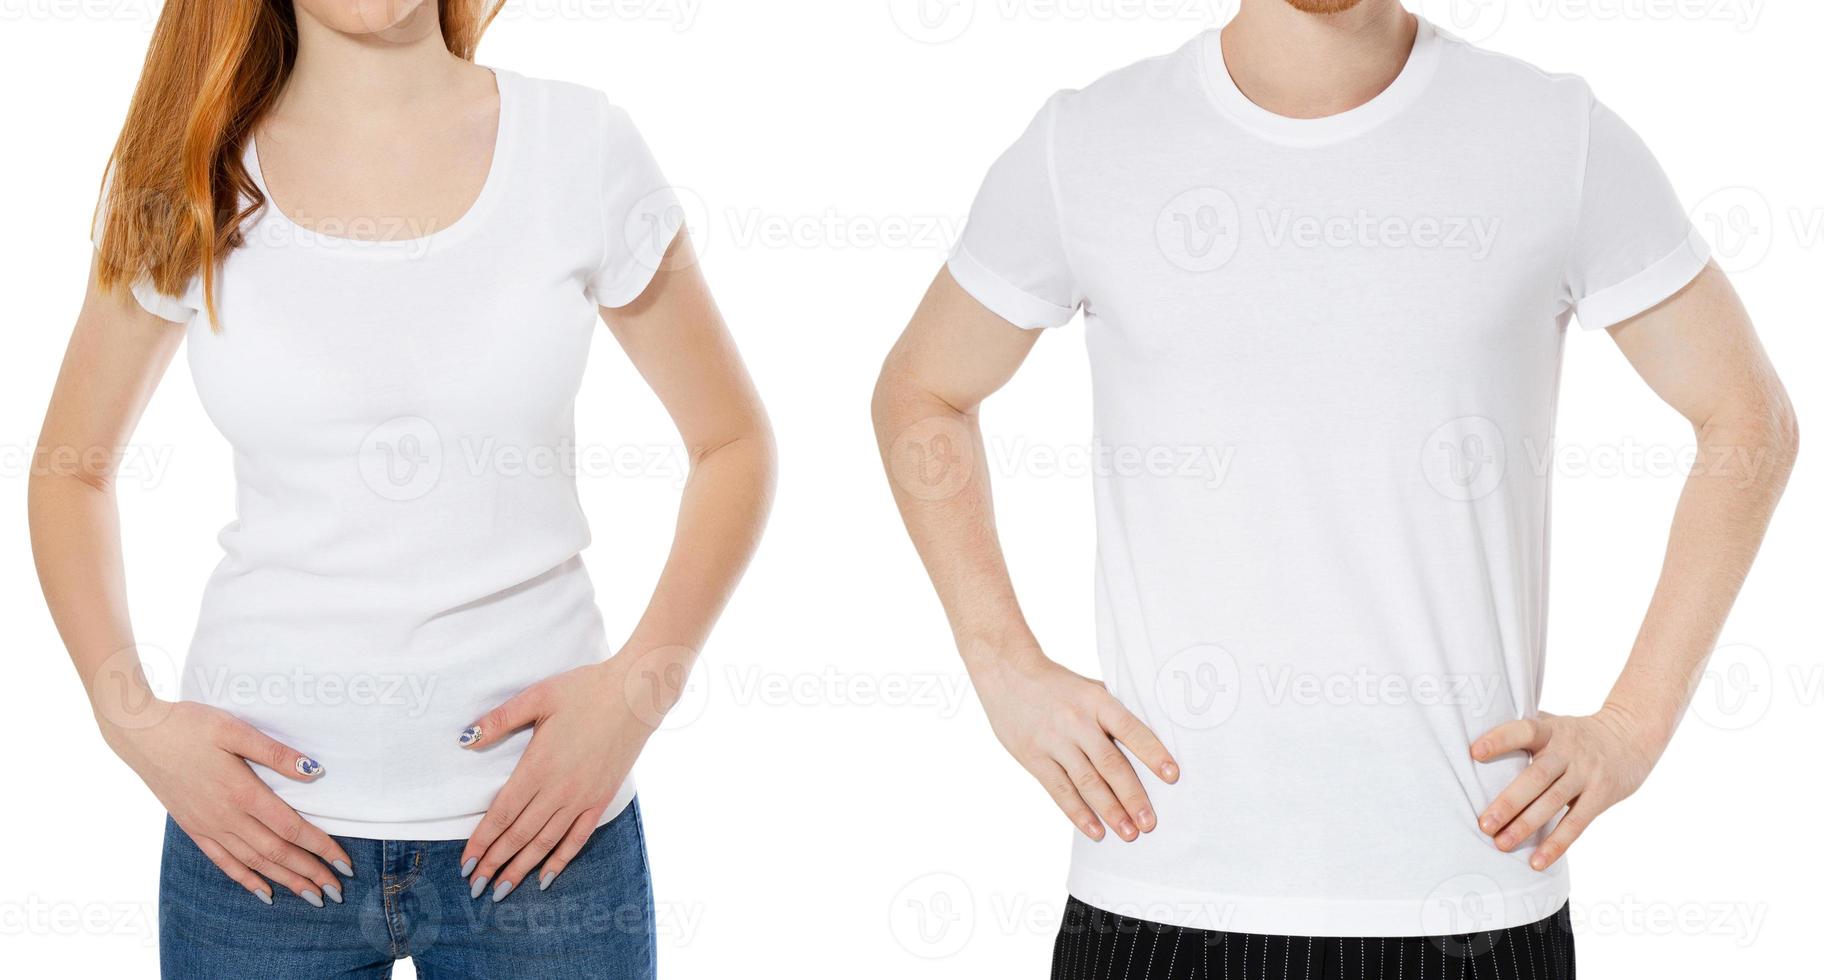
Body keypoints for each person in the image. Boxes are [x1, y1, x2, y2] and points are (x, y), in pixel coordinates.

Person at [871, 1, 1797, 976]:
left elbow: (1749, 419)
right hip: (1157, 889)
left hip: (1466, 900)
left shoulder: (1551, 138)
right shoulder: (1090, 144)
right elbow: (921, 393)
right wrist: (1002, 664)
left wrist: (1636, 725)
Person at [28, 1, 774, 976]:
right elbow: (70, 469)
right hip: (257, 853)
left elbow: (733, 442)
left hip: (546, 836)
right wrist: (128, 719)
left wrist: (641, 689)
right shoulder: (190, 171)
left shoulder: (579, 144)